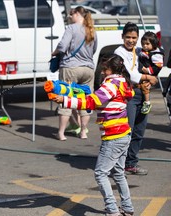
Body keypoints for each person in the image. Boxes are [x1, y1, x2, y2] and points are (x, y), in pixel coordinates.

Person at [52, 54, 135, 216]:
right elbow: (97, 100)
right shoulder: (123, 82)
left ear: (113, 70)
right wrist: (73, 95)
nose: (103, 72)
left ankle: (112, 210)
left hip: (114, 136)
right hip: (124, 134)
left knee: (100, 173)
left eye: (105, 69)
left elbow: (92, 102)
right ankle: (128, 208)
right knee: (118, 173)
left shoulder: (111, 85)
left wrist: (65, 100)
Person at [114, 22, 158, 175]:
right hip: (128, 95)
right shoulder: (118, 52)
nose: (131, 40)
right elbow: (130, 74)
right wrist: (148, 77)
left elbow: (157, 56)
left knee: (139, 131)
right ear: (122, 37)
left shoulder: (140, 50)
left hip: (143, 94)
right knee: (127, 131)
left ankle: (131, 163)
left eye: (134, 37)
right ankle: (118, 164)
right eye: (128, 37)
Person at [51, 6, 97, 140]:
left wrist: (55, 53)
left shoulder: (71, 28)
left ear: (77, 14)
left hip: (70, 68)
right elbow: (94, 49)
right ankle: (83, 132)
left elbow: (62, 46)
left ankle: (61, 133)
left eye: (71, 15)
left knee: (66, 99)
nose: (70, 17)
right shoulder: (92, 29)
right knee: (84, 100)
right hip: (88, 69)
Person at [138, 31, 164, 114]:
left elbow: (158, 66)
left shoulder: (156, 54)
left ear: (154, 44)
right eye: (143, 44)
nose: (144, 46)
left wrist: (148, 70)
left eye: (147, 44)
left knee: (145, 86)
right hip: (142, 71)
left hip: (149, 73)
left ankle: (147, 103)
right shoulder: (145, 51)